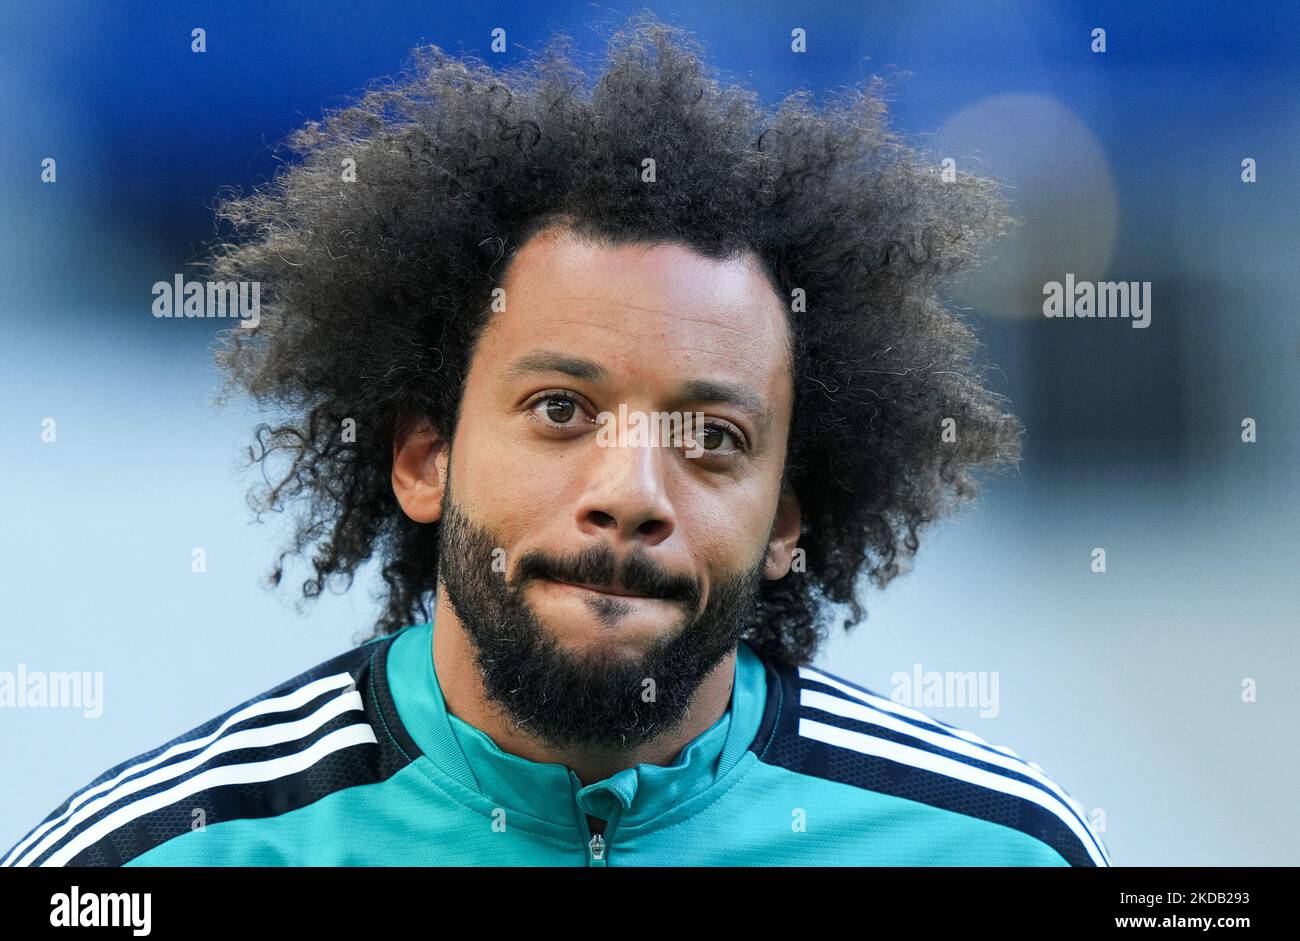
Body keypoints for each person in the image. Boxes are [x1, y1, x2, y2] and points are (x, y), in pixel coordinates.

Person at [3, 13, 1110, 867]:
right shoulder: (156, 859)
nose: (629, 491)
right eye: (560, 412)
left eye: (713, 435)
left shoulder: (999, 850)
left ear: (785, 518)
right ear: (423, 458)